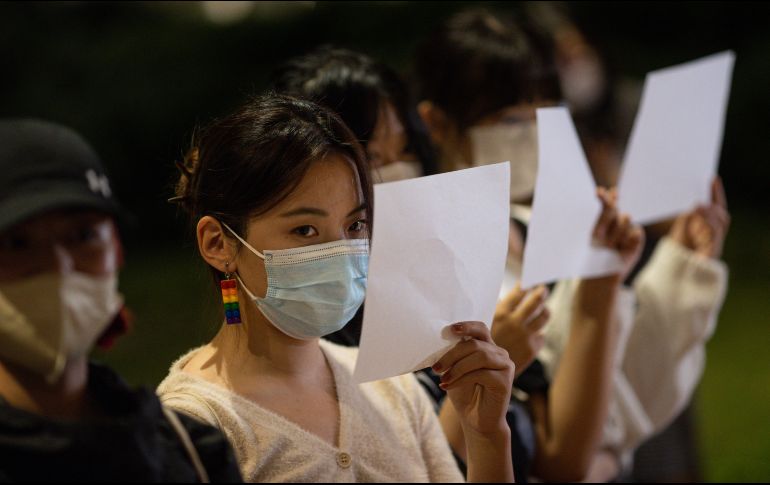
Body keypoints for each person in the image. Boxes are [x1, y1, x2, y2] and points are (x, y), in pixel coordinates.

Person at [414, 8, 729, 481]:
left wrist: (681, 262)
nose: (534, 134)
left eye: (546, 113)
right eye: (508, 117)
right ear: (437, 123)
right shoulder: (430, 249)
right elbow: (561, 457)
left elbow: (622, 392)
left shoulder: (546, 225)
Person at [158, 93, 517, 482]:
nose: (339, 252)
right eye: (305, 230)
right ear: (218, 243)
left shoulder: (393, 389)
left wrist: (486, 437)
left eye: (354, 226)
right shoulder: (193, 423)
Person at [0, 119, 242, 482]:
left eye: (82, 235)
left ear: (116, 251)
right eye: (18, 243)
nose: (59, 267)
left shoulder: (191, 452)